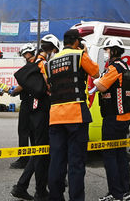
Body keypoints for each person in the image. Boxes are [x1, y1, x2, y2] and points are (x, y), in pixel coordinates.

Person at [45, 29, 99, 201]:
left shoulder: (50, 62)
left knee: (56, 161)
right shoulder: (79, 55)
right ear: (76, 41)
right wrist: (86, 53)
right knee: (75, 163)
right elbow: (95, 72)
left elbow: (49, 85)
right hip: (76, 113)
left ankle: (55, 197)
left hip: (55, 115)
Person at [10, 36, 61, 201]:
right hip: (41, 112)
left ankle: (31, 188)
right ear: (52, 49)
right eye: (55, 51)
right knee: (41, 151)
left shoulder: (34, 64)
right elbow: (49, 86)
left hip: (33, 112)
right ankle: (33, 189)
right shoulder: (43, 64)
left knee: (40, 150)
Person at [93, 37, 130, 201]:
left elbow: (101, 85)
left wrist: (95, 80)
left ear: (113, 51)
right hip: (125, 116)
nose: (105, 53)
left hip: (114, 118)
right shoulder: (126, 68)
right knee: (120, 155)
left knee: (110, 155)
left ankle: (115, 194)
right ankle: (125, 192)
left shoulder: (114, 68)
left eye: (106, 50)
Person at [10, 43, 38, 171]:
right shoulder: (40, 64)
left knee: (23, 131)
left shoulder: (32, 66)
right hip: (37, 103)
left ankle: (24, 159)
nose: (24, 56)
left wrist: (15, 91)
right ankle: (34, 158)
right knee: (34, 132)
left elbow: (24, 84)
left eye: (25, 54)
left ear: (28, 53)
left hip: (28, 103)